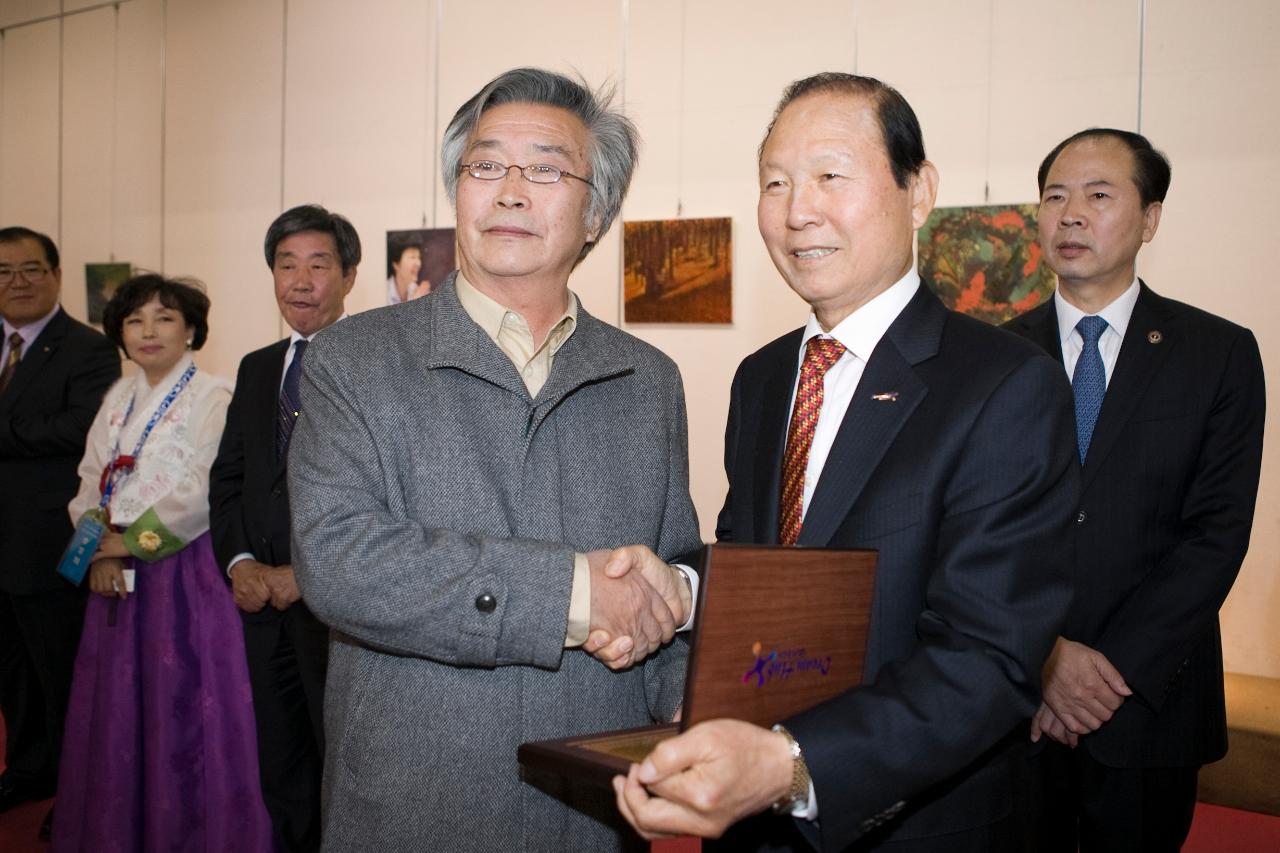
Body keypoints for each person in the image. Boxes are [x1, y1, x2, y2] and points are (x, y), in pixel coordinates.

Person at [613, 72, 1078, 852]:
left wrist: (792, 763)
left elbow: (989, 655)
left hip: (916, 822)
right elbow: (768, 560)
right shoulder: (763, 378)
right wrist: (684, 588)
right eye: (776, 182)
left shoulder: (1004, 384)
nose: (798, 212)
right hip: (746, 818)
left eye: (831, 175)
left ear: (918, 189)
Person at [288, 67, 700, 852]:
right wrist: (575, 593)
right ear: (458, 191)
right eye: (485, 165)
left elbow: (666, 572)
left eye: (546, 168)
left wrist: (685, 713)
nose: (509, 190)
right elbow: (339, 559)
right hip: (415, 799)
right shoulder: (357, 359)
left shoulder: (648, 379)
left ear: (597, 212)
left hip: (596, 801)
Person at [1002, 129, 1265, 852]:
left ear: (1150, 219)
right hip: (1015, 700)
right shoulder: (992, 357)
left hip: (1150, 703)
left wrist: (1108, 670)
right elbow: (970, 530)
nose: (1071, 214)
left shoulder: (1218, 354)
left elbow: (1216, 533)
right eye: (1055, 196)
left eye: (1098, 194)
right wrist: (1045, 656)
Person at [52, 274, 273, 852]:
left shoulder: (214, 396)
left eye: (165, 318)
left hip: (185, 571)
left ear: (192, 328)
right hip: (112, 565)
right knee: (119, 713)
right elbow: (87, 480)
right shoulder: (116, 398)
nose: (148, 332)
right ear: (119, 334)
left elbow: (202, 491)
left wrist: (129, 544)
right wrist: (98, 542)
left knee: (187, 703)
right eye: (134, 320)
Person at [209, 203, 359, 853]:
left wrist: (311, 572)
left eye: (318, 264)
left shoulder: (373, 364)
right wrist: (240, 562)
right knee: (283, 763)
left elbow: (389, 497)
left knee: (344, 764)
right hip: (262, 604)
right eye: (285, 264)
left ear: (349, 276)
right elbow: (231, 479)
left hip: (339, 611)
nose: (300, 280)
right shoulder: (256, 367)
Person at [0, 227, 119, 839]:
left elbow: (76, 428)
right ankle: (27, 770)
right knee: (11, 673)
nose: (17, 282)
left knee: (57, 675)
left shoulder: (88, 349)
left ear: (54, 274)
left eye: (30, 269)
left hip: (49, 545)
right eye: (4, 272)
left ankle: (72, 787)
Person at [386, 237, 428, 303]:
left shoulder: (416, 290)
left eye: (419, 258)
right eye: (412, 257)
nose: (418, 263)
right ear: (396, 264)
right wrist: (415, 302)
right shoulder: (384, 291)